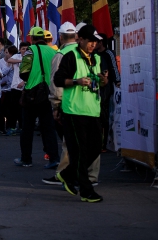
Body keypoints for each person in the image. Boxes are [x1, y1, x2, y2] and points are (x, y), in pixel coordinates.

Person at [53, 24, 108, 203]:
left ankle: (68, 174)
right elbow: (58, 79)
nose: (93, 45)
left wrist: (104, 80)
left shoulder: (97, 59)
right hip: (74, 110)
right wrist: (76, 81)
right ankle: (86, 190)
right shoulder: (71, 56)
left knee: (95, 147)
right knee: (80, 151)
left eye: (95, 42)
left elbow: (103, 82)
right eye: (90, 41)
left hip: (92, 110)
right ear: (80, 39)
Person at [43, 22, 102, 187]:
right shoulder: (92, 56)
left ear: (60, 37)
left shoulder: (63, 54)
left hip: (73, 106)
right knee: (92, 145)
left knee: (71, 143)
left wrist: (56, 104)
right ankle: (90, 176)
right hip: (92, 106)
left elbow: (56, 83)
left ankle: (66, 174)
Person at [14, 27, 60, 168]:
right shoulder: (54, 51)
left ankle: (26, 159)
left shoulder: (30, 51)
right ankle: (54, 158)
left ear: (32, 38)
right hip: (49, 93)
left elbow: (24, 73)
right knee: (48, 128)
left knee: (27, 128)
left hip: (32, 94)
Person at [96, 34, 121, 152]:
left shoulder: (108, 53)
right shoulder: (92, 54)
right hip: (94, 87)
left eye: (96, 41)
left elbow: (114, 67)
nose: (94, 43)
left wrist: (117, 81)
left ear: (101, 42)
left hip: (106, 88)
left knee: (104, 114)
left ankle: (103, 143)